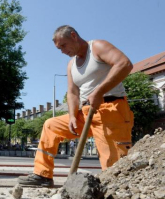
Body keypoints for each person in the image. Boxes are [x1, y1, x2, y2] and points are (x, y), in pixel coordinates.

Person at [18, 25, 134, 187]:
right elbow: (72, 93)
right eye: (59, 49)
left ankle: (118, 188)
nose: (62, 51)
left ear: (73, 36)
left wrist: (99, 91)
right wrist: (73, 116)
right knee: (51, 125)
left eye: (63, 45)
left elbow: (124, 64)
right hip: (86, 113)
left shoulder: (98, 47)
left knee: (113, 167)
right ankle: (42, 175)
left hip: (111, 110)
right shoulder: (71, 64)